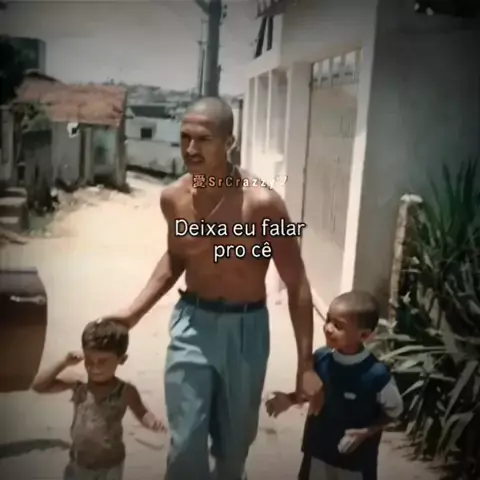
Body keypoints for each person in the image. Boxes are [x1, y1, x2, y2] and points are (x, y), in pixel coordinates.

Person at [101, 96, 322, 479]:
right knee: (185, 444)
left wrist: (306, 364)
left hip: (246, 331)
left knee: (233, 450)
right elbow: (176, 258)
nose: (191, 148)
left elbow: (297, 282)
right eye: (185, 138)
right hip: (193, 324)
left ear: (229, 143)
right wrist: (133, 313)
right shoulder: (174, 198)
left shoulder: (262, 204)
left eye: (203, 139)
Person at [265, 291, 403, 480]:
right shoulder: (321, 359)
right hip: (317, 454)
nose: (328, 328)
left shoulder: (376, 375)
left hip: (355, 464)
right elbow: (312, 393)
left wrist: (367, 432)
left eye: (338, 325)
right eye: (328, 319)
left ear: (364, 335)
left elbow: (394, 412)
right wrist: (290, 399)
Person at [31, 319, 166, 480]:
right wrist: (63, 363)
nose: (94, 367)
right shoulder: (79, 384)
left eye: (102, 361)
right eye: (89, 359)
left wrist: (152, 422)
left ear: (121, 359)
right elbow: (38, 386)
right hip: (80, 462)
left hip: (111, 464)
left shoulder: (125, 391)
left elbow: (141, 412)